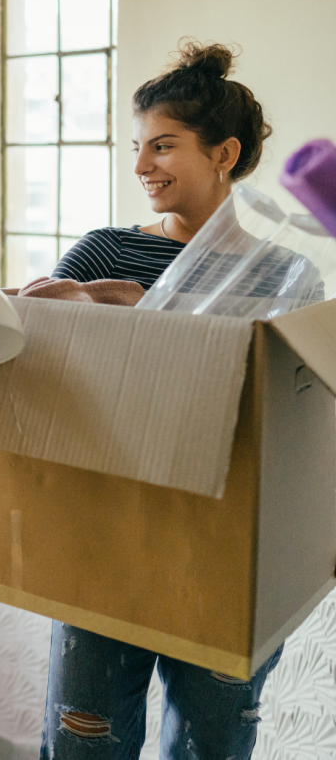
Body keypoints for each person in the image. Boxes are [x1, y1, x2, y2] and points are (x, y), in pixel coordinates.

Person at [37, 41, 281, 758]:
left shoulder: (281, 277)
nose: (142, 166)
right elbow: (48, 384)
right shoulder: (101, 253)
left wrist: (136, 304)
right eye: (138, 146)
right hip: (101, 543)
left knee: (210, 749)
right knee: (84, 746)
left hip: (223, 555)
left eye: (164, 146)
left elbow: (277, 412)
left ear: (224, 153)